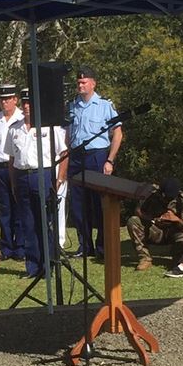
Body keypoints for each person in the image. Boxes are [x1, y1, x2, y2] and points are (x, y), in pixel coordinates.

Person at [9, 86, 67, 279]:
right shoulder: (14, 128)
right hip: (22, 176)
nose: (27, 107)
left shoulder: (49, 127)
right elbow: (11, 158)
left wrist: (60, 178)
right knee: (28, 223)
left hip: (42, 174)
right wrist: (13, 183)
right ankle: (33, 267)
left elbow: (64, 152)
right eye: (24, 103)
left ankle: (49, 264)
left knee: (44, 221)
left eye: (30, 103)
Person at [66, 66, 120, 257]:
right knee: (79, 204)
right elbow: (67, 133)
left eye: (84, 82)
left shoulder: (104, 105)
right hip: (77, 156)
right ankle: (85, 246)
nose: (80, 85)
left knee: (99, 203)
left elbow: (118, 133)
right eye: (78, 82)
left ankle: (102, 247)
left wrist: (110, 160)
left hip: (97, 156)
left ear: (93, 83)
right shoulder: (72, 106)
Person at [0, 83, 23, 259]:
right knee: (5, 208)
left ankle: (20, 246)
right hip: (0, 167)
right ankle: (7, 247)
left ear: (15, 100)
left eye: (8, 99)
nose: (4, 102)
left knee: (19, 207)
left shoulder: (22, 118)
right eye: (2, 99)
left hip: (16, 167)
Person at [127, 178, 183, 272]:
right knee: (133, 221)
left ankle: (179, 261)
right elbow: (138, 211)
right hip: (155, 230)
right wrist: (153, 220)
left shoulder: (182, 199)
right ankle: (145, 258)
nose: (167, 200)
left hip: (173, 231)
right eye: (165, 197)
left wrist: (175, 219)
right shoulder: (151, 194)